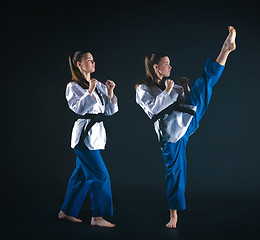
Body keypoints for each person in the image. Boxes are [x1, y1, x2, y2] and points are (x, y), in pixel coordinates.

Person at [135, 26, 236, 228]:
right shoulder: (142, 88)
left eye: (170, 64)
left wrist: (185, 87)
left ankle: (225, 49)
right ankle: (173, 215)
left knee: (204, 83)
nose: (170, 67)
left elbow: (185, 97)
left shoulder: (169, 83)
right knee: (175, 170)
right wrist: (169, 91)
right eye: (166, 64)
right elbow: (153, 110)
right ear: (156, 67)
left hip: (186, 120)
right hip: (170, 134)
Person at [58, 51, 118, 227]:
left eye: (93, 59)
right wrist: (89, 92)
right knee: (100, 175)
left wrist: (110, 92)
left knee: (81, 176)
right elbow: (79, 109)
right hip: (84, 136)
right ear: (79, 65)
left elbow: (110, 111)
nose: (93, 62)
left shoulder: (98, 84)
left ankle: (66, 211)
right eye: (89, 60)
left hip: (95, 135)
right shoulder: (73, 86)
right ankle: (97, 217)